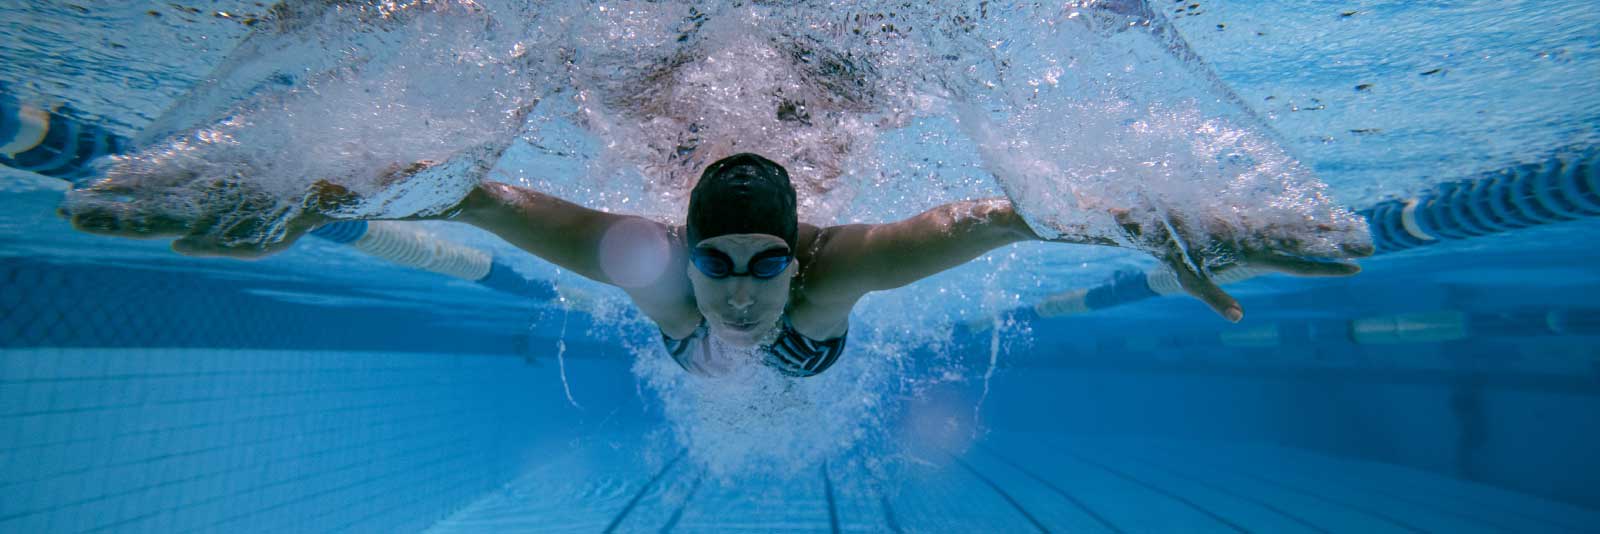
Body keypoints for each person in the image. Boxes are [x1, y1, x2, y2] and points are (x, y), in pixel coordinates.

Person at [63, 148, 1369, 378]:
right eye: (719, 258)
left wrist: (1153, 217)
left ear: (798, 253)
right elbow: (483, 193)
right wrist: (328, 183)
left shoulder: (837, 274)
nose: (741, 285)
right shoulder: (654, 270)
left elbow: (1005, 216)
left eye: (764, 260)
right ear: (685, 245)